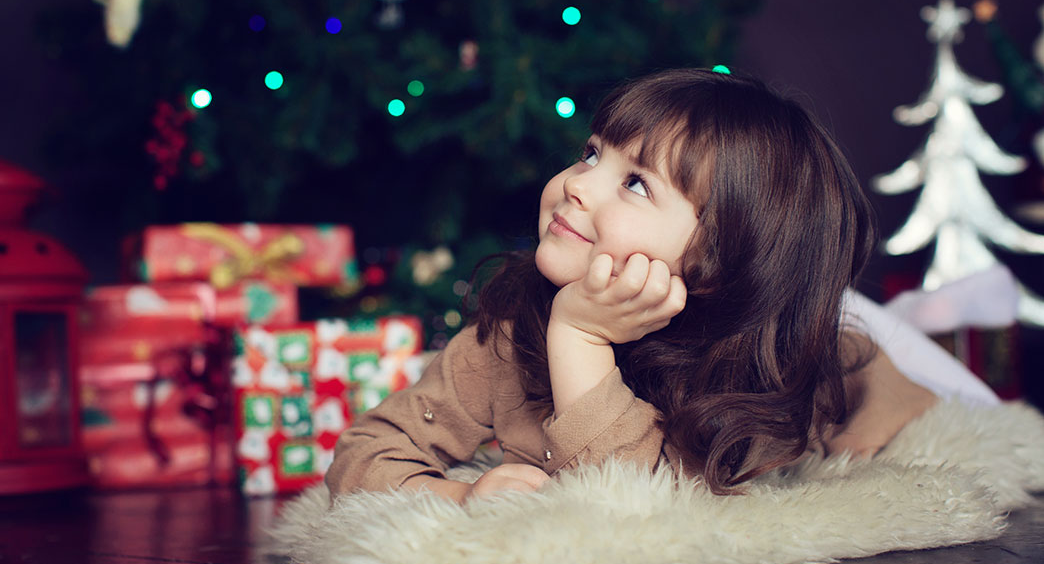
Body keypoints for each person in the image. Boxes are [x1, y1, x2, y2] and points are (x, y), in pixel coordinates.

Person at [325, 68, 998, 504]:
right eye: (592, 152)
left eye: (634, 182)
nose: (576, 184)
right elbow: (364, 455)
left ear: (718, 257)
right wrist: (460, 498)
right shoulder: (506, 336)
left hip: (827, 341)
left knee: (881, 372)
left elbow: (657, 512)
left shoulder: (756, 378)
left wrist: (581, 336)